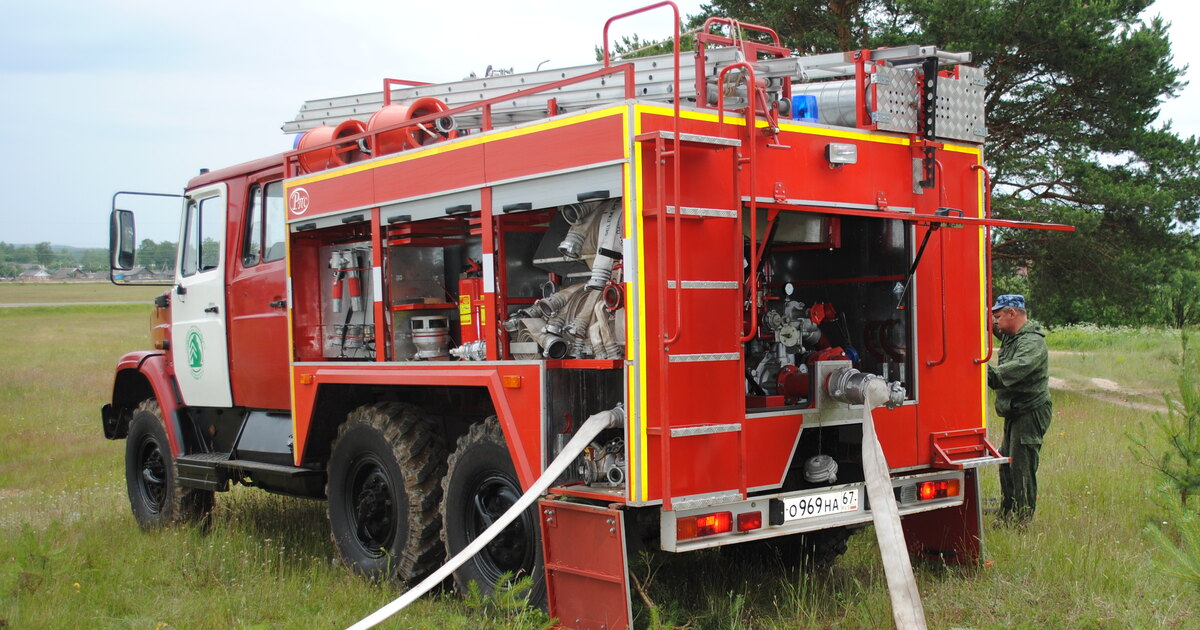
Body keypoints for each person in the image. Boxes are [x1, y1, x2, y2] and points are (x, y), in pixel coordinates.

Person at [987, 294, 1052, 524]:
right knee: (1006, 463)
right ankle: (1007, 512)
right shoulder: (1012, 335)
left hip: (1030, 411)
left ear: (1012, 313)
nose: (994, 323)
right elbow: (985, 324)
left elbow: (1015, 369)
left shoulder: (1031, 343)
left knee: (1021, 468)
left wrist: (983, 371)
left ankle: (1022, 520)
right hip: (1015, 410)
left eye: (998, 316)